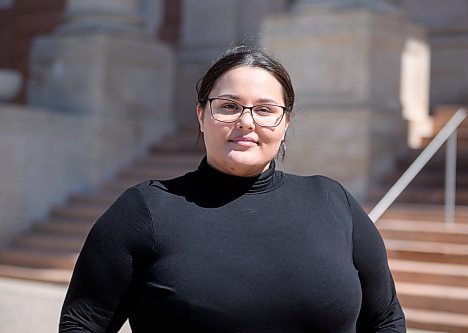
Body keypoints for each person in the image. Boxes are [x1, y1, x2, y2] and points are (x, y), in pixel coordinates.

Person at [59, 45, 406, 332]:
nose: (246, 122)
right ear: (200, 115)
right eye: (228, 106)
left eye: (265, 110)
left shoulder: (334, 203)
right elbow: (82, 324)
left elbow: (386, 320)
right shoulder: (144, 209)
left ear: (285, 123)